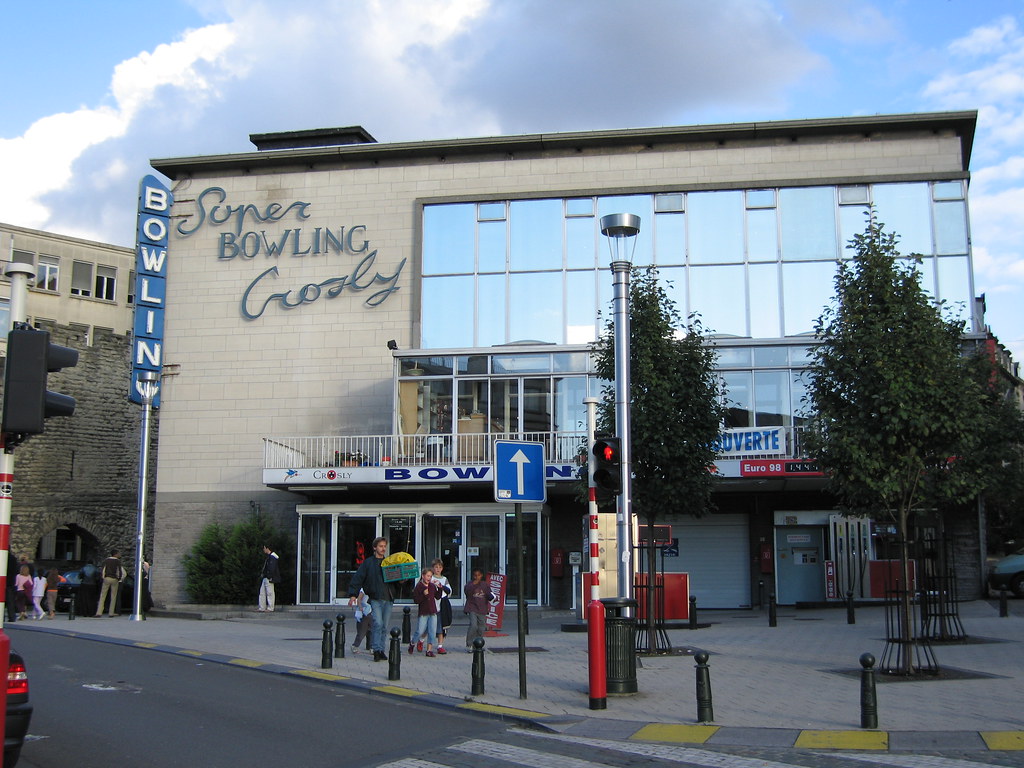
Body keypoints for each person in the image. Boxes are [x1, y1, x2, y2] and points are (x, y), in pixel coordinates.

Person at [347, 537, 395, 662]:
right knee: (377, 623)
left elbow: (396, 580)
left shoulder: (389, 563)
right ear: (375, 548)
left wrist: (403, 579)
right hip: (375, 598)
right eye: (380, 546)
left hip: (388, 598)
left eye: (384, 546)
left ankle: (381, 650)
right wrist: (353, 594)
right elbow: (358, 578)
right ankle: (375, 650)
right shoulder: (368, 563)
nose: (383, 548)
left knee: (384, 626)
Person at [410, 568, 442, 657]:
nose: (429, 578)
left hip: (432, 611)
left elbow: (438, 597)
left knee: (432, 631)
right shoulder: (419, 586)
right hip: (423, 612)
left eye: (430, 576)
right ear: (423, 576)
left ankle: (429, 650)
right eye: (428, 576)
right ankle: (412, 643)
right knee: (420, 631)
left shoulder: (432, 586)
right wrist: (423, 595)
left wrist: (439, 588)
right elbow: (416, 600)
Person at [463, 568, 495, 652]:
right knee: (473, 625)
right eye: (475, 575)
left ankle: (477, 644)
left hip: (482, 609)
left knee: (481, 628)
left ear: (481, 576)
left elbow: (489, 594)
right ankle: (469, 644)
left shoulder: (485, 585)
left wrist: (493, 598)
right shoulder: (470, 584)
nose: (476, 577)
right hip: (472, 608)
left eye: (478, 575)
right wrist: (474, 584)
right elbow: (467, 592)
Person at [430, 559, 453, 654]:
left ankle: (440, 646)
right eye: (436, 567)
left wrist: (442, 587)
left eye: (440, 567)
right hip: (431, 603)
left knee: (441, 625)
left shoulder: (444, 579)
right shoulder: (430, 578)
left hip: (442, 604)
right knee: (428, 626)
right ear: (433, 568)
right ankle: (422, 640)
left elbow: (449, 591)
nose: (438, 569)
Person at [95, 550, 125, 617]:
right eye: (118, 553)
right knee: (113, 596)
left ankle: (99, 612)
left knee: (102, 595)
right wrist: (119, 578)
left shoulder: (106, 560)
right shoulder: (117, 561)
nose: (120, 555)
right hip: (114, 579)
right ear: (115, 554)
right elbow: (119, 570)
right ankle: (111, 613)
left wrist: (103, 577)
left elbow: (103, 570)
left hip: (107, 578)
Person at [258, 545, 281, 612]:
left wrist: (269, 576)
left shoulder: (272, 557)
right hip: (266, 577)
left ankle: (270, 608)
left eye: (264, 548)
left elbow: (271, 568)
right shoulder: (270, 557)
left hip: (269, 578)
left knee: (269, 593)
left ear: (268, 548)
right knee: (262, 593)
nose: (263, 549)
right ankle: (262, 607)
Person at [350, 589, 373, 654]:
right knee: (362, 631)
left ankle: (371, 647)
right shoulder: (364, 589)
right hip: (365, 612)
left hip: (370, 611)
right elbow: (359, 600)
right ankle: (355, 646)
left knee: (371, 630)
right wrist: (360, 608)